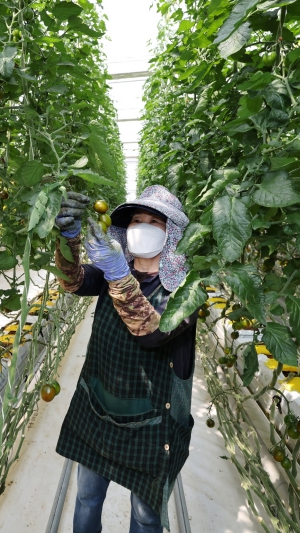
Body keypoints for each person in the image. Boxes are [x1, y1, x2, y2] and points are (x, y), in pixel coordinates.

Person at [52, 185, 199, 533]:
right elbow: (72, 281)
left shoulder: (186, 290)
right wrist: (67, 240)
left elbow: (151, 333)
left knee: (145, 516)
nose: (142, 227)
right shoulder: (112, 272)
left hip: (151, 422)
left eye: (154, 221)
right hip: (98, 408)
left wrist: (118, 274)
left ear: (173, 234)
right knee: (87, 497)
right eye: (136, 220)